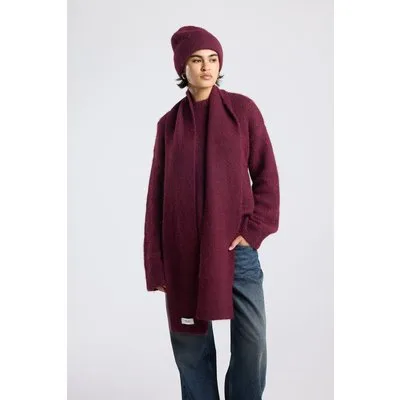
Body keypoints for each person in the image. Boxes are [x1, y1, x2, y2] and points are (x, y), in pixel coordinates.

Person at [143, 25, 280, 400]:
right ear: (182, 68)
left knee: (252, 341)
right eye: (196, 59)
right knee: (191, 349)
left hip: (237, 250)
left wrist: (254, 230)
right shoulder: (169, 125)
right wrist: (156, 263)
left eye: (213, 59)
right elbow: (156, 197)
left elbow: (266, 174)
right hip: (182, 253)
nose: (206, 67)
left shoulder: (242, 111)